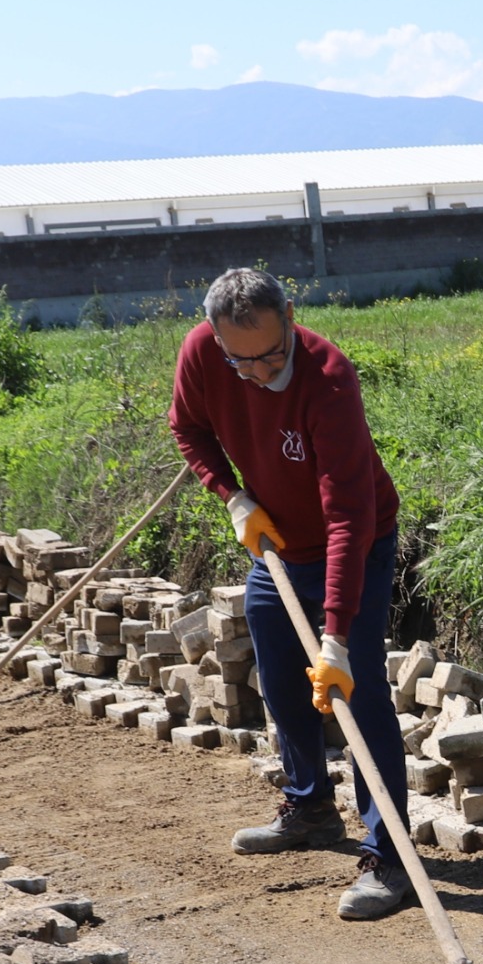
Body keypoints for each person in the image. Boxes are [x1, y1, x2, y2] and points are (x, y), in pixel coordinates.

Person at [166, 267, 412, 921]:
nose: (257, 371)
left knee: (356, 695)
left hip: (354, 540)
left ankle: (390, 853)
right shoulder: (203, 354)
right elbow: (188, 428)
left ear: (291, 318)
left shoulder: (329, 380)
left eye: (272, 353)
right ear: (215, 340)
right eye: (239, 359)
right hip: (276, 541)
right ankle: (309, 808)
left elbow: (347, 520)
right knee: (278, 676)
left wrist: (336, 634)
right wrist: (234, 497)